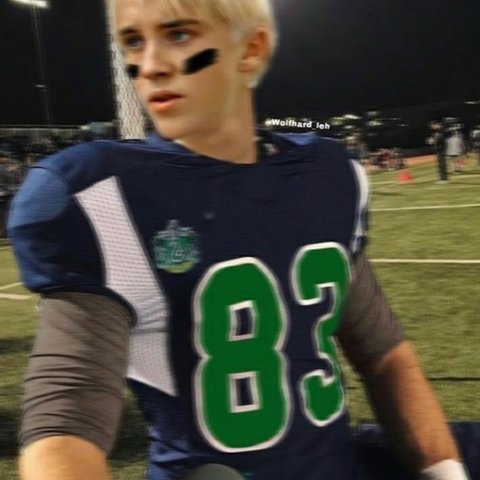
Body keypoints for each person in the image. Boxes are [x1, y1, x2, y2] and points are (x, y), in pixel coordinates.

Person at [7, 1, 469, 479]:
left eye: (178, 35)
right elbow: (65, 421)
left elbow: (384, 354)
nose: (150, 65)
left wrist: (444, 473)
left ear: (250, 49)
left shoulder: (326, 176)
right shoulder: (105, 198)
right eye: (134, 42)